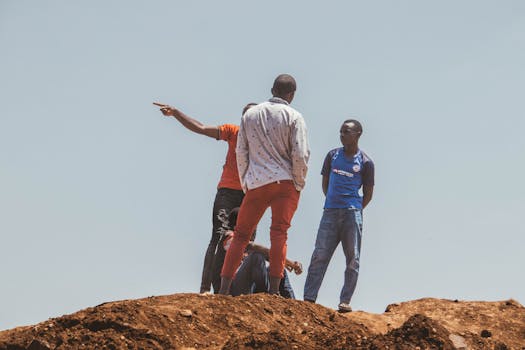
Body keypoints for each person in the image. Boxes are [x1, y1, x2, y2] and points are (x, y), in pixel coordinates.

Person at [219, 74, 310, 296]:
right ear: (292, 95)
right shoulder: (295, 116)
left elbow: (241, 151)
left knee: (241, 235)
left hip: (257, 182)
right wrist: (299, 183)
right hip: (285, 182)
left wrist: (245, 182)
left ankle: (222, 290)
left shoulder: (250, 114)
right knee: (279, 233)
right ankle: (275, 291)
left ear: (272, 89)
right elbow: (300, 154)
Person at [154, 102, 256, 293]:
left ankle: (241, 290)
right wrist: (176, 113)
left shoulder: (264, 141)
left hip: (250, 195)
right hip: (227, 191)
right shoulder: (234, 133)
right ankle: (205, 288)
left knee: (247, 241)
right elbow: (200, 128)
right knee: (218, 237)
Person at [303, 119, 374, 312]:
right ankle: (309, 299)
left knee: (353, 259)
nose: (342, 135)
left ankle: (345, 301)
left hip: (352, 213)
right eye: (341, 132)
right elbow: (325, 183)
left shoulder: (366, 162)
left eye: (347, 132)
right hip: (330, 212)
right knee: (319, 255)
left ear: (358, 134)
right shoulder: (332, 156)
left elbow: (368, 193)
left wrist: (355, 207)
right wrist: (333, 202)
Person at [214, 208, 302, 298]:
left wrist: (287, 262)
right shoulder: (229, 236)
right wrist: (288, 262)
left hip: (250, 286)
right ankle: (267, 295)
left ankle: (292, 302)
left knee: (278, 269)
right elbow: (253, 247)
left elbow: (269, 255)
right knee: (256, 256)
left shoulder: (245, 241)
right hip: (233, 288)